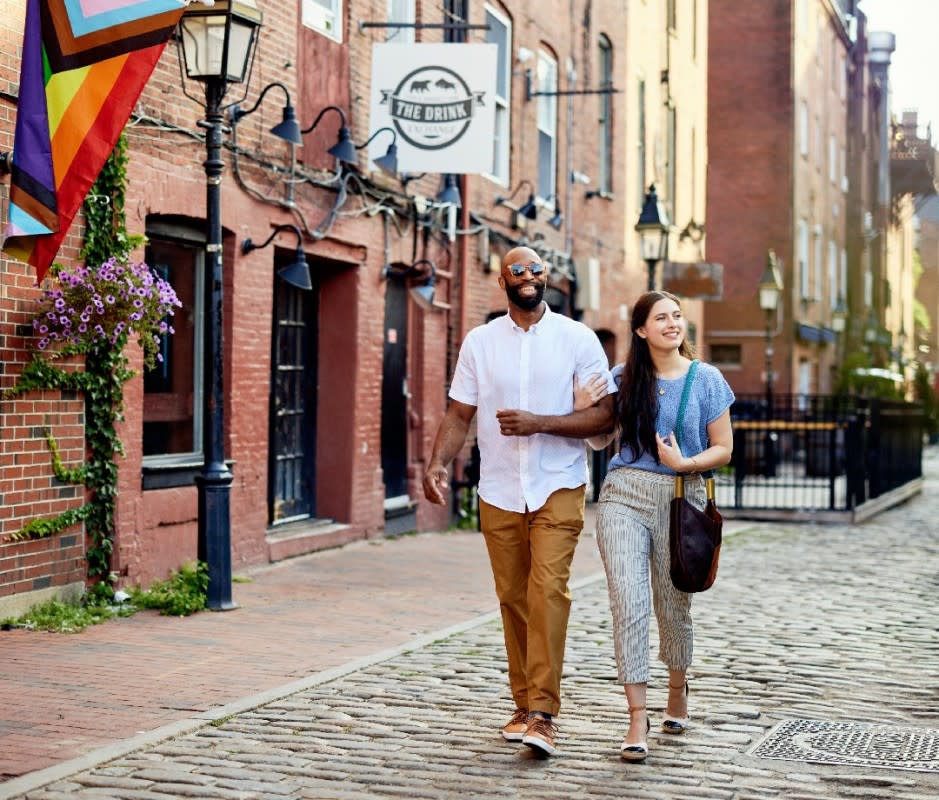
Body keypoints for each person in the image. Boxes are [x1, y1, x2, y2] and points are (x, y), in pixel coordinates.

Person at [422, 246, 615, 757]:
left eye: (535, 270)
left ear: (546, 277)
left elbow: (604, 419)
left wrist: (541, 422)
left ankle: (544, 713)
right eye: (518, 271)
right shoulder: (480, 342)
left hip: (559, 484)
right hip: (500, 488)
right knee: (512, 597)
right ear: (503, 280)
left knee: (548, 590)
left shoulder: (579, 339)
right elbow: (460, 413)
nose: (528, 277)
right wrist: (438, 462)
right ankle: (524, 703)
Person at [576, 290, 734, 762]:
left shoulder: (706, 379)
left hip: (682, 498)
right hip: (624, 495)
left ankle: (678, 685)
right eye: (661, 317)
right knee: (629, 601)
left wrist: (685, 462)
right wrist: (584, 404)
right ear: (641, 330)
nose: (672, 323)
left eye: (677, 316)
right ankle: (636, 715)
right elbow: (602, 439)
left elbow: (723, 448)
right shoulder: (623, 378)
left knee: (672, 606)